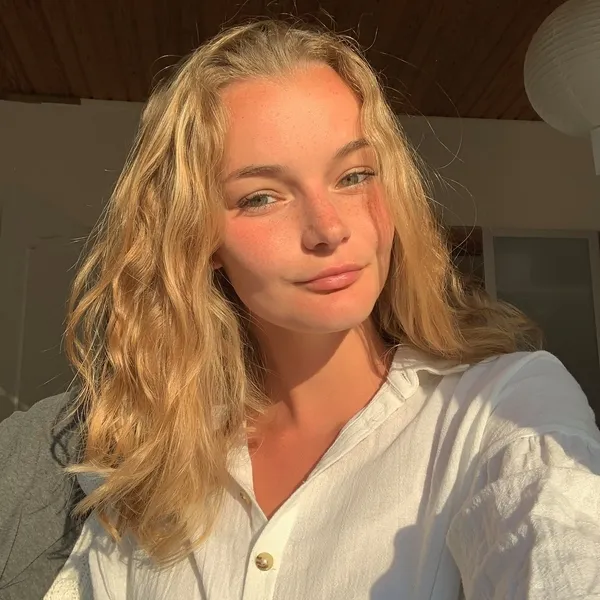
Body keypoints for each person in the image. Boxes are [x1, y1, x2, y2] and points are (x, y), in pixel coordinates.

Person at [2, 18, 600, 600]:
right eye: (261, 197)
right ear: (199, 236)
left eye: (354, 175)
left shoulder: (502, 411)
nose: (328, 229)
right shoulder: (146, 454)